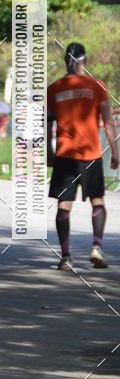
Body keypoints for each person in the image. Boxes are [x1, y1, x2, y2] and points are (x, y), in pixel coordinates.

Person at [47, 42, 119, 271]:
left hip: (65, 154)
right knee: (97, 201)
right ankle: (96, 247)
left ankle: (66, 257)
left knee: (63, 206)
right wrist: (114, 151)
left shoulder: (54, 88)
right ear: (84, 61)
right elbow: (108, 121)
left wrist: (49, 153)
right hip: (91, 154)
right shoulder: (97, 85)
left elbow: (46, 124)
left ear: (65, 61)